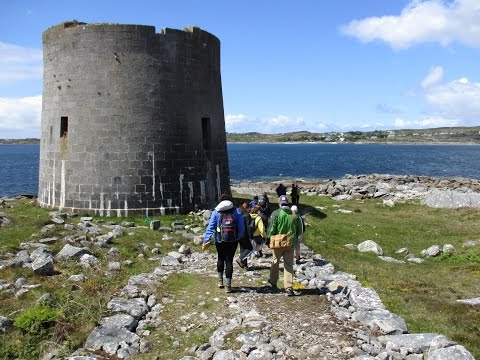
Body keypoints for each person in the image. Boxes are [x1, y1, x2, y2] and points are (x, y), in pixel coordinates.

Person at [203, 194, 245, 293]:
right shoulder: (236, 211)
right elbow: (242, 227)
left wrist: (206, 239)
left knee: (220, 258)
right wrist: (239, 237)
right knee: (229, 261)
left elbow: (211, 226)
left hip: (219, 240)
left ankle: (220, 281)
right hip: (233, 240)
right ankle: (228, 286)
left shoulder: (216, 212)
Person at [266, 195, 302, 296]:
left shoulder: (276, 213)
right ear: (287, 203)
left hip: (278, 243)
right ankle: (288, 287)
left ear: (279, 203)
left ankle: (273, 282)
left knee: (275, 262)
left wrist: (268, 239)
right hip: (290, 243)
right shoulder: (295, 215)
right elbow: (299, 231)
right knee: (288, 265)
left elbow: (271, 228)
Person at [236, 201, 254, 269]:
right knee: (249, 248)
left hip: (238, 234)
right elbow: (249, 227)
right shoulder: (247, 215)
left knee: (243, 249)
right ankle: (240, 259)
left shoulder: (239, 214)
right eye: (250, 208)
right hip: (245, 234)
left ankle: (244, 264)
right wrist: (251, 237)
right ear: (248, 208)